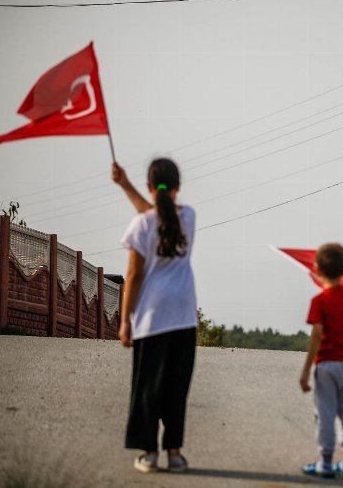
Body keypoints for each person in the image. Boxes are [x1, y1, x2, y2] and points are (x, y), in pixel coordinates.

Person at [114, 159, 197, 473]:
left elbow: (133, 277)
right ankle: (174, 453)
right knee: (177, 387)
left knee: (148, 388)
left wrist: (125, 322)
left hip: (151, 317)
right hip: (184, 316)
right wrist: (125, 186)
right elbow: (158, 211)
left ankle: (149, 455)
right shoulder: (188, 217)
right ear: (178, 188)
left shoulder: (141, 225)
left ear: (150, 187)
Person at [299, 243, 343, 479]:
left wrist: (305, 372)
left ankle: (325, 462)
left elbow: (316, 336)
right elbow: (341, 293)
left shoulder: (319, 301)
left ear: (319, 270)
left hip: (327, 365)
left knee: (324, 414)